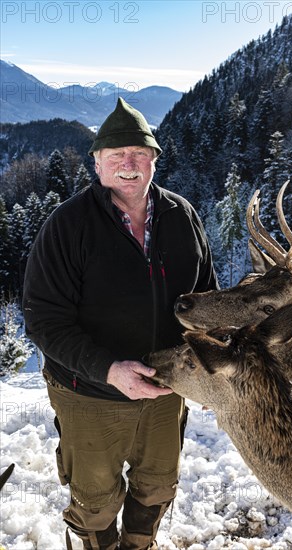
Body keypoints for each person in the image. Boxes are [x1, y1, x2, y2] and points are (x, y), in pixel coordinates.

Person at [22, 98, 218, 550]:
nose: (129, 165)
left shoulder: (182, 216)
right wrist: (110, 370)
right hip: (90, 393)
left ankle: (139, 544)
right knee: (94, 499)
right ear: (97, 163)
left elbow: (205, 301)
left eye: (139, 155)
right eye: (116, 156)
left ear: (153, 161)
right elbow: (45, 320)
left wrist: (211, 369)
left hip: (169, 389)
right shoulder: (68, 226)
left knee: (157, 484)